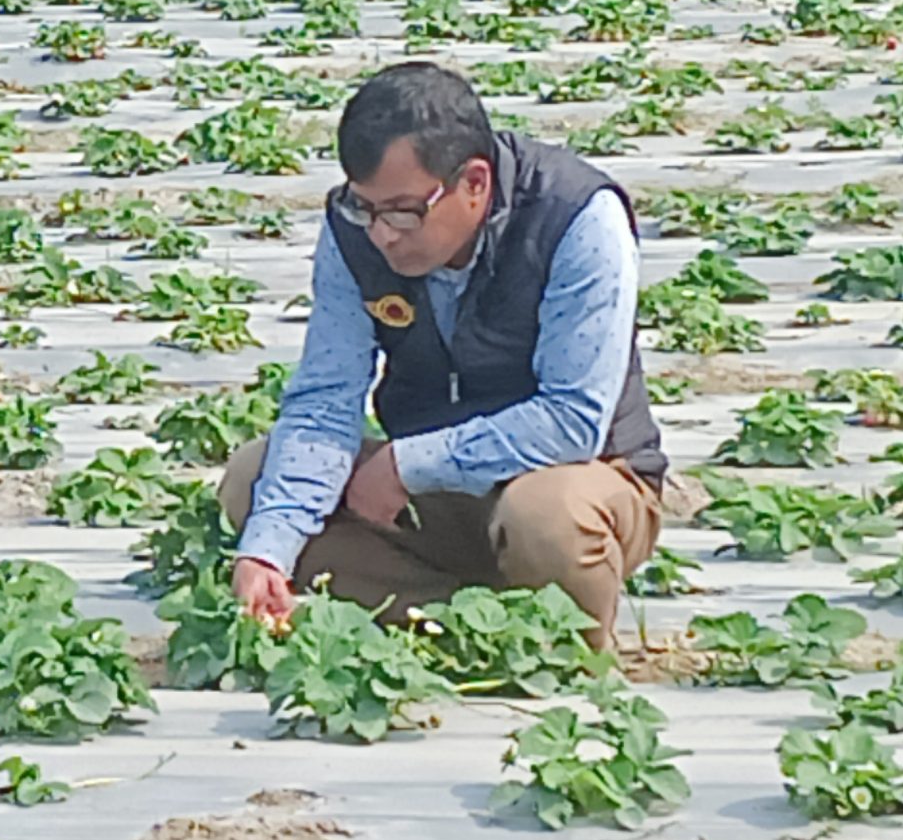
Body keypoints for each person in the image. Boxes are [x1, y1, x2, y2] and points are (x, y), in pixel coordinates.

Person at [222, 61, 666, 649]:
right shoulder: (357, 230)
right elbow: (326, 400)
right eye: (365, 209)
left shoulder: (577, 217)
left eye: (403, 212)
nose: (381, 234)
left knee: (548, 517)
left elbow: (572, 422)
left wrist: (409, 464)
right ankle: (463, 628)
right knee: (254, 480)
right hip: (432, 503)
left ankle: (557, 642)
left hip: (580, 478)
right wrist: (267, 552)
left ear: (474, 183)